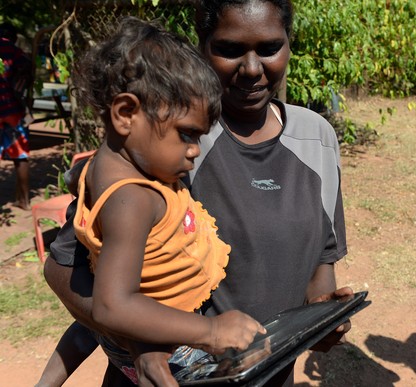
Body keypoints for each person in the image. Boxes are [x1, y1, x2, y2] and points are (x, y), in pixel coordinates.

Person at [41, 0, 352, 385]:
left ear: (289, 44)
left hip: (269, 373)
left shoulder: (316, 138)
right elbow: (64, 267)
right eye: (230, 49)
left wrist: (319, 318)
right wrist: (142, 342)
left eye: (269, 48)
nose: (252, 69)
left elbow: (322, 255)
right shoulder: (162, 140)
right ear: (202, 47)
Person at [37, 16, 266, 386]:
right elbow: (113, 305)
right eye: (186, 134)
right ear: (126, 114)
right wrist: (210, 331)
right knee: (253, 357)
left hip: (116, 334)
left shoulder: (104, 168)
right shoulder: (133, 198)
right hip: (170, 340)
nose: (193, 151)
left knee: (85, 331)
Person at [0, 21, 32, 210]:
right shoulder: (14, 51)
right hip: (13, 111)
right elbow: (27, 70)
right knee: (20, 156)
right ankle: (24, 201)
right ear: (12, 37)